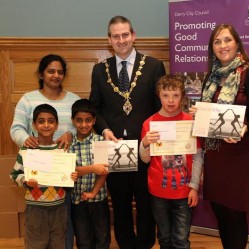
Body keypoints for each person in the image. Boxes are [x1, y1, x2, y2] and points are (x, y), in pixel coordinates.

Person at [190, 24, 249, 249]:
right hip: (216, 155)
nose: (223, 46)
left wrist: (246, 127)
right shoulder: (210, 79)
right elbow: (212, 118)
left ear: (237, 43)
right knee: (220, 210)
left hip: (242, 155)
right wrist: (200, 114)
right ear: (212, 48)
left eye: (227, 40)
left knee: (234, 213)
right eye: (217, 41)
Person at [89, 16, 166, 249]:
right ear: (109, 40)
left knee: (145, 202)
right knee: (120, 203)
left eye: (125, 35)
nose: (121, 40)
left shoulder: (154, 66)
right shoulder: (99, 70)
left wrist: (150, 138)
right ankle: (125, 244)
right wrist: (105, 130)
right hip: (115, 146)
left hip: (144, 147)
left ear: (133, 35)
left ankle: (144, 243)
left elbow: (159, 107)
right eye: (115, 36)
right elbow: (95, 108)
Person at [10, 54, 80, 249]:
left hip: (62, 172)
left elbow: (82, 126)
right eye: (51, 71)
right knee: (38, 232)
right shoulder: (28, 99)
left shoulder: (74, 99)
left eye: (60, 72)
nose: (55, 75)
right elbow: (16, 129)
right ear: (41, 73)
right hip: (37, 171)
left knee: (62, 225)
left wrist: (70, 134)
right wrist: (27, 141)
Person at [139, 74, 203, 249]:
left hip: (184, 192)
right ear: (158, 96)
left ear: (182, 96)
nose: (170, 100)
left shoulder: (190, 121)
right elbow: (145, 159)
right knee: (164, 238)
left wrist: (194, 186)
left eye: (175, 95)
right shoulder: (149, 123)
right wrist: (144, 143)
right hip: (158, 191)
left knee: (181, 240)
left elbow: (198, 155)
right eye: (165, 95)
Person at [69, 99, 111, 249]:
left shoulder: (100, 141)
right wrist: (93, 167)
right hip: (77, 200)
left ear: (94, 121)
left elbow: (103, 171)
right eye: (79, 120)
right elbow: (71, 171)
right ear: (73, 121)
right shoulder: (69, 144)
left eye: (88, 120)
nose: (83, 124)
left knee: (102, 238)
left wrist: (93, 192)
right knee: (83, 240)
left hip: (99, 199)